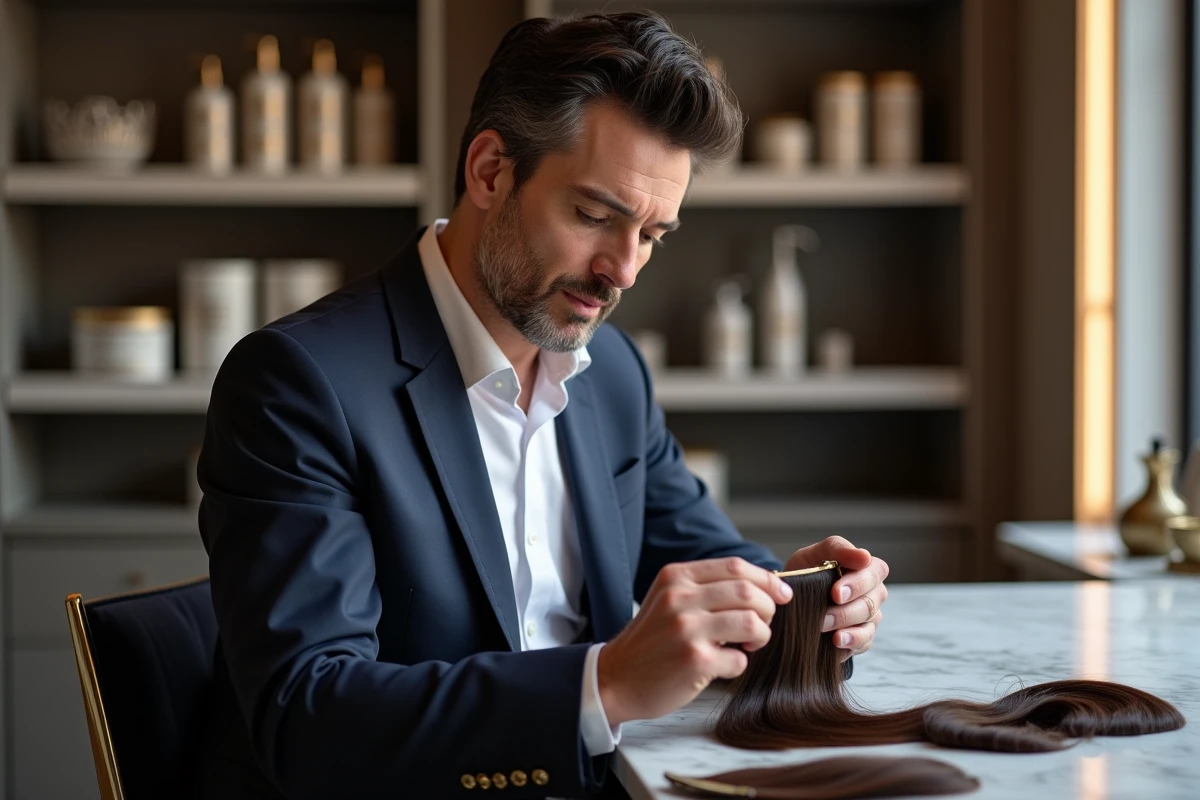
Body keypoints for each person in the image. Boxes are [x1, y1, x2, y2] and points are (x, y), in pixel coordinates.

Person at [196, 10, 890, 799]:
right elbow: (307, 718)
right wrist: (608, 683)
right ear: (490, 171)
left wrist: (805, 607)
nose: (623, 270)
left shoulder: (614, 372)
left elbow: (705, 560)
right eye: (595, 216)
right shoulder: (297, 383)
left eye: (653, 235)